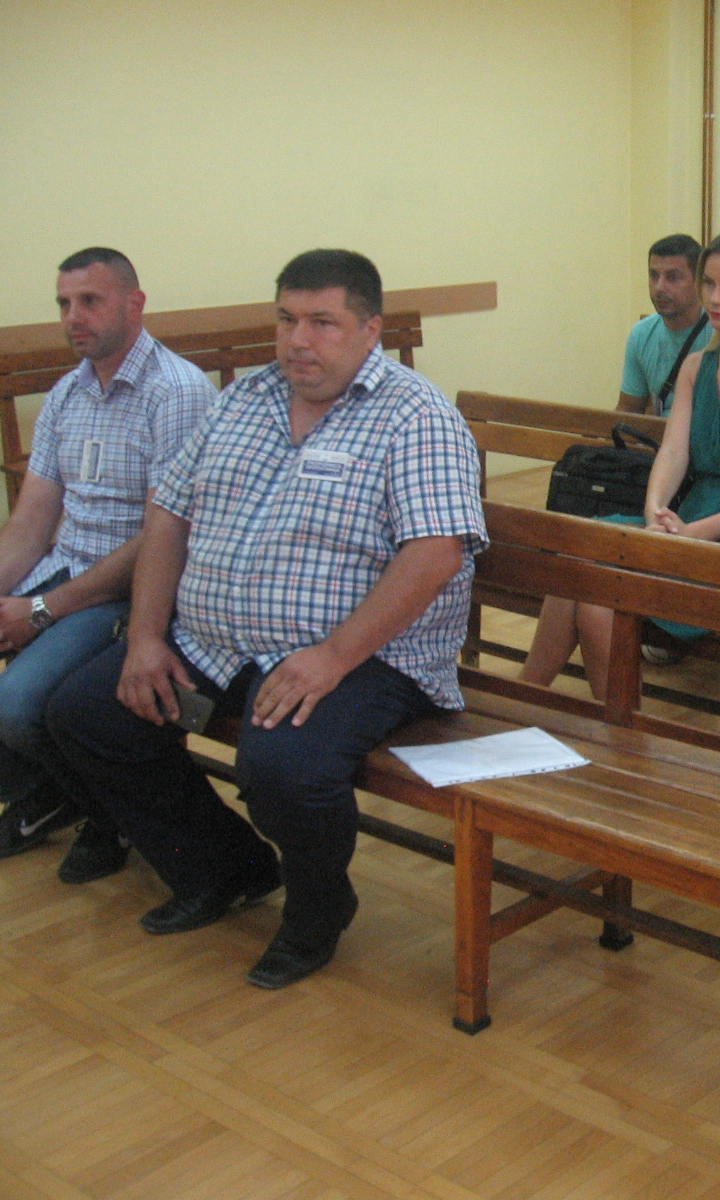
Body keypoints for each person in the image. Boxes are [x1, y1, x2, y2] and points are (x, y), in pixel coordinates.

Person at [45, 250, 486, 990]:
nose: (297, 341)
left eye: (322, 323)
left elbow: (436, 552)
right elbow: (169, 512)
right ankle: (227, 869)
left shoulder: (417, 415)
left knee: (284, 768)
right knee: (90, 715)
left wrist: (333, 656)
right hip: (218, 642)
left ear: (370, 329)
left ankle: (318, 909)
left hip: (363, 655)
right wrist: (146, 637)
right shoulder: (243, 399)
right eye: (286, 319)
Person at [521, 225, 720, 700]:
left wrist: (690, 536)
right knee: (577, 562)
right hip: (690, 520)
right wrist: (654, 511)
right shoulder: (698, 366)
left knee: (600, 599)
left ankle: (620, 728)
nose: (715, 298)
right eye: (709, 284)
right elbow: (674, 451)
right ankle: (530, 694)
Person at [0, 248, 214, 881]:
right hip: (68, 573)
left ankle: (103, 812)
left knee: (16, 704)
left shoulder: (175, 393)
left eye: (90, 301)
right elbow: (32, 522)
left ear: (134, 304)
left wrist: (40, 610)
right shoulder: (69, 393)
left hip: (131, 591)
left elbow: (162, 538)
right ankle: (64, 791)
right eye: (65, 304)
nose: (74, 317)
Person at [616, 234, 713, 415]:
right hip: (660, 432)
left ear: (699, 281)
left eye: (673, 277)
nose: (659, 287)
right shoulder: (641, 334)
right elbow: (628, 410)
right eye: (654, 276)